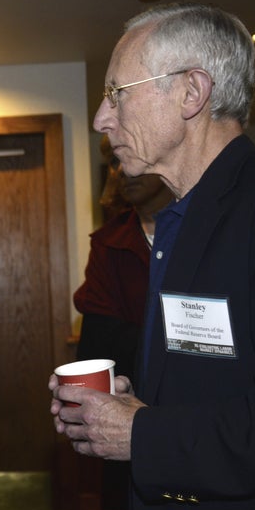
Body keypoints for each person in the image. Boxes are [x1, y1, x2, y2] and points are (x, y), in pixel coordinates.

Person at [50, 2, 255, 510]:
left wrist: (143, 434)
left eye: (116, 94)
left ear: (191, 92)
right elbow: (216, 375)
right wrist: (123, 405)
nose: (101, 118)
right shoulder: (180, 220)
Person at [74, 146, 172, 380]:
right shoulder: (108, 244)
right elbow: (96, 342)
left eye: (133, 155)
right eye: (115, 162)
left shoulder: (204, 232)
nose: (122, 170)